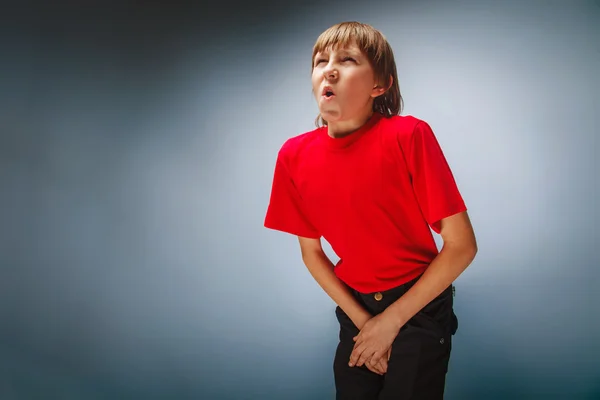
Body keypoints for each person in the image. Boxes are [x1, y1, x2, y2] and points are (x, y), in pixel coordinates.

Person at [263, 21, 477, 399]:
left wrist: (392, 322)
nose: (329, 68)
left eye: (347, 60)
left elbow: (461, 245)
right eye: (320, 61)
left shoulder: (409, 136)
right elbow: (312, 254)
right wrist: (367, 324)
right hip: (356, 308)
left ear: (380, 85)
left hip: (417, 306)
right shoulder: (293, 156)